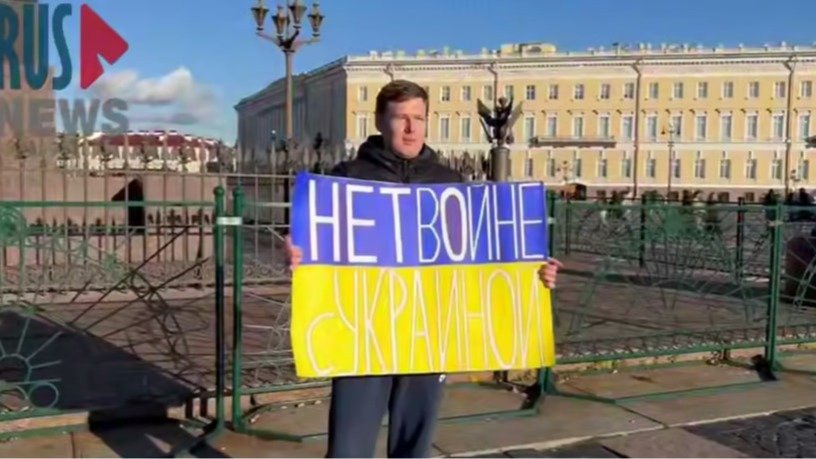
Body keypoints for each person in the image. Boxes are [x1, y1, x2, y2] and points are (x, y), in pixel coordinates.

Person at [284, 79, 562, 458]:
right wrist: (298, 254)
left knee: (415, 444)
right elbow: (315, 247)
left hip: (428, 329)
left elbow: (481, 257)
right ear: (380, 121)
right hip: (364, 329)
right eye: (401, 117)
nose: (411, 128)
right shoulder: (346, 177)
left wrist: (534, 274)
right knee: (349, 445)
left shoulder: (449, 182)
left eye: (419, 118)